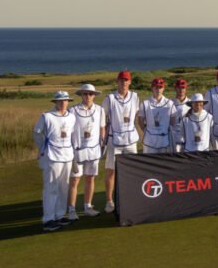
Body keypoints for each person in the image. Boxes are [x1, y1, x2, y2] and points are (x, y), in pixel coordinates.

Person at [33, 91, 77, 231]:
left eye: (65, 100)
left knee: (64, 187)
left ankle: (59, 215)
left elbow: (72, 135)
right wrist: (43, 148)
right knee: (51, 187)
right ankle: (48, 219)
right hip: (52, 155)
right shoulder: (46, 116)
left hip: (67, 155)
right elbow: (37, 133)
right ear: (55, 102)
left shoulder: (71, 117)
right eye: (60, 101)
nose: (63, 103)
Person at [101, 70, 140, 213]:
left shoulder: (135, 96)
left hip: (130, 140)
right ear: (117, 81)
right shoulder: (109, 98)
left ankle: (132, 197)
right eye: (121, 80)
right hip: (113, 140)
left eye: (126, 80)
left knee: (132, 169)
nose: (124, 82)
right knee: (111, 171)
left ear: (130, 82)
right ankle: (109, 201)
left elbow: (136, 115)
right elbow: (102, 119)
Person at [68, 85, 104, 219]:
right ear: (81, 95)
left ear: (94, 95)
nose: (88, 96)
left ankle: (88, 206)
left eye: (90, 94)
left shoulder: (100, 110)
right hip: (77, 151)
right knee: (74, 181)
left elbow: (102, 128)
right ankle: (71, 210)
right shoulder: (73, 110)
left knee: (90, 178)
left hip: (94, 151)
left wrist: (102, 141)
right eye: (85, 94)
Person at [138, 78, 175, 154]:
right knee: (149, 164)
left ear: (163, 88)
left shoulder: (170, 103)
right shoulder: (145, 103)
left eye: (160, 87)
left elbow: (172, 121)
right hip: (149, 142)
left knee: (163, 163)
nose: (158, 90)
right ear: (152, 88)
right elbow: (140, 120)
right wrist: (147, 131)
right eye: (156, 87)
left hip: (164, 141)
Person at [169, 78, 190, 153]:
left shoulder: (191, 103)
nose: (181, 90)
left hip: (188, 140)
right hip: (173, 140)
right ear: (175, 88)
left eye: (183, 88)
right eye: (179, 88)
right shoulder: (170, 103)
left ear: (186, 88)